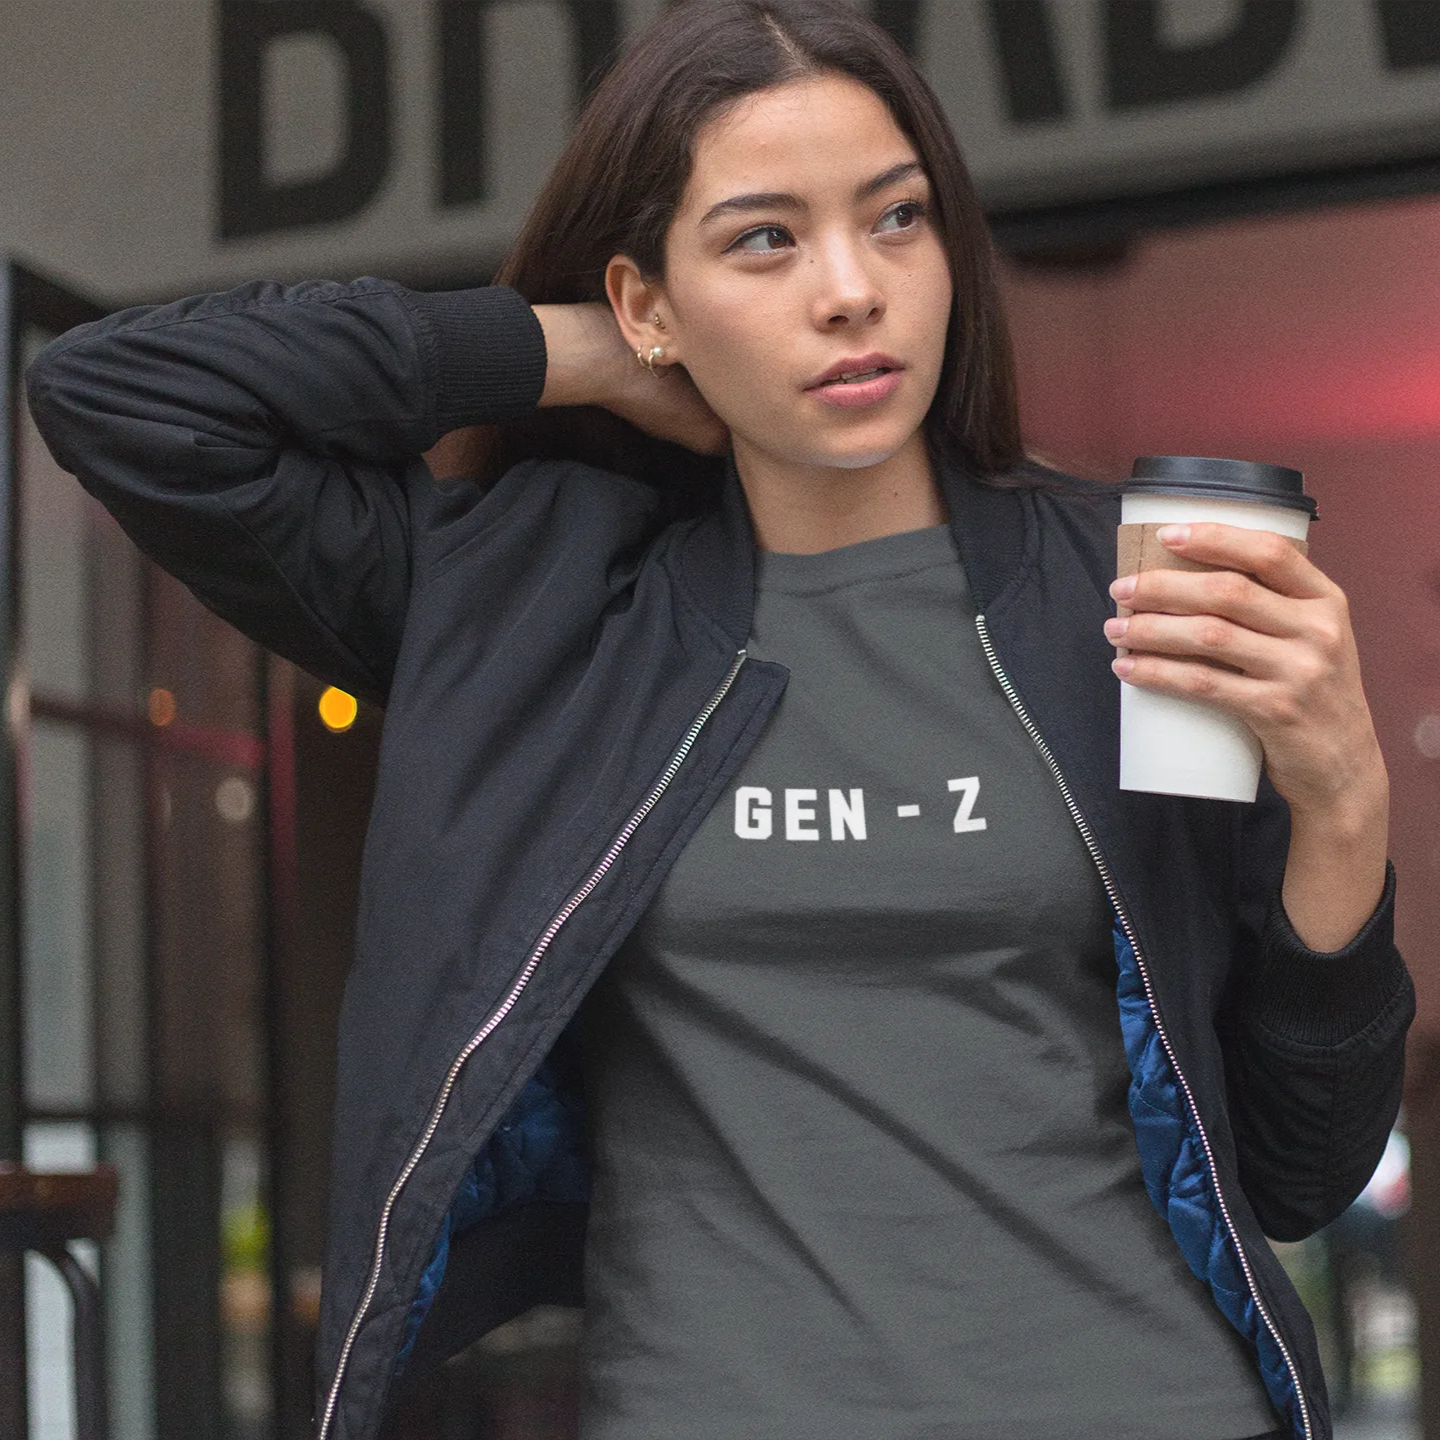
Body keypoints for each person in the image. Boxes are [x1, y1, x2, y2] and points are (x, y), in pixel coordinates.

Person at [24, 2, 1411, 1437]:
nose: (852, 289)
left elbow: (1301, 1169)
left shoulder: (1124, 587)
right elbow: (122, 395)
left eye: (897, 221)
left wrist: (1344, 801)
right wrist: (572, 352)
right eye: (765, 238)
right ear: (648, 298)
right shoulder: (542, 611)